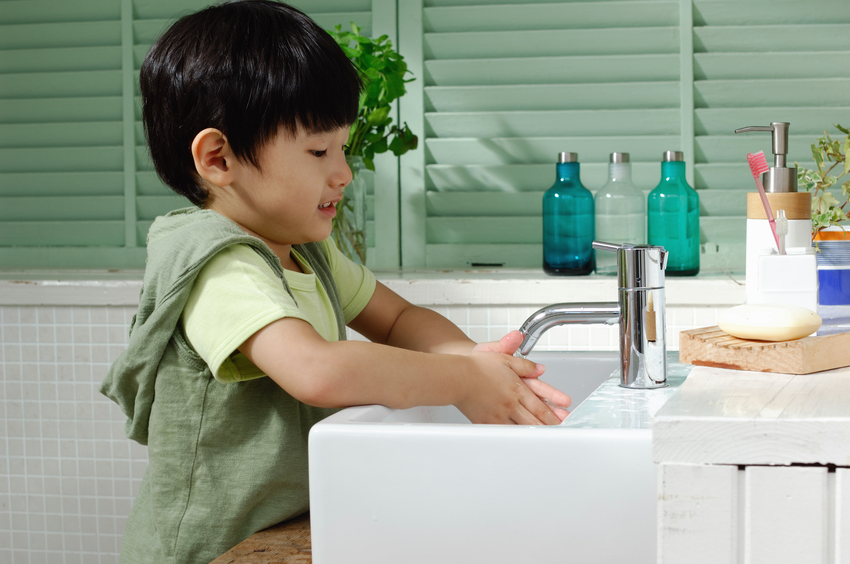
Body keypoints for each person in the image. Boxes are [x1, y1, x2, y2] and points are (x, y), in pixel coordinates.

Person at [100, 1, 571, 562]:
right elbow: (317, 371)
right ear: (219, 158)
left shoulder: (306, 252)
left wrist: (472, 359)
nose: (343, 172)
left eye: (342, 147)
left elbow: (397, 319)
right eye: (319, 150)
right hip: (214, 549)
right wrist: (461, 381)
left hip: (288, 531)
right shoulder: (216, 262)